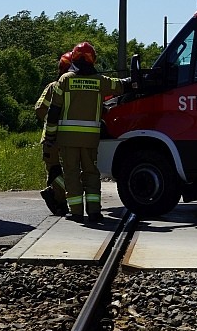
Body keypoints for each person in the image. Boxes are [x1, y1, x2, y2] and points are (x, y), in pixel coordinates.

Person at [45, 42, 131, 222]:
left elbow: (53, 111)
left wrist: (50, 136)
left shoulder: (65, 79)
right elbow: (121, 86)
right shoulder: (100, 80)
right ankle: (94, 212)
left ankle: (76, 213)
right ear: (93, 59)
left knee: (71, 174)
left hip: (67, 139)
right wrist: (139, 78)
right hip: (90, 139)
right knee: (91, 173)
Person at [33, 53, 73, 216]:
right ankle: (57, 199)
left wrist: (51, 123)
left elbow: (40, 108)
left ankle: (56, 197)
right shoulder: (57, 87)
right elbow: (40, 109)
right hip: (61, 139)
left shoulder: (53, 87)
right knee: (62, 171)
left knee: (57, 171)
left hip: (53, 138)